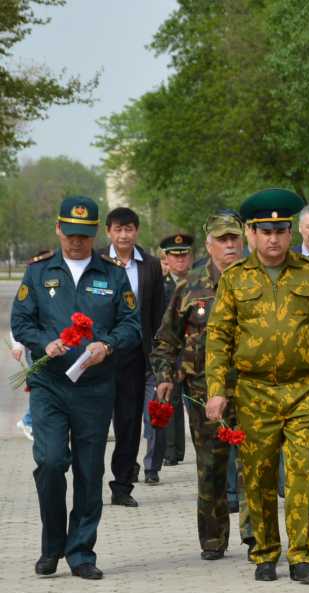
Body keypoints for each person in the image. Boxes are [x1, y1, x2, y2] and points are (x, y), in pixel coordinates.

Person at [205, 188, 309, 584]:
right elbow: (219, 337)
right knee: (259, 473)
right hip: (255, 391)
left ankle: (301, 555)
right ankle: (265, 552)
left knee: (303, 474)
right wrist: (217, 389)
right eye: (265, 231)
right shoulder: (234, 279)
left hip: (302, 390)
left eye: (281, 230)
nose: (274, 239)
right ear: (250, 233)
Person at [12, 195, 141, 579]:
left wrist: (108, 345)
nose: (76, 243)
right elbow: (21, 321)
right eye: (69, 234)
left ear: (95, 233)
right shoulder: (38, 273)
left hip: (94, 387)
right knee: (51, 462)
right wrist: (42, 343)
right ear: (58, 229)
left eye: (83, 236)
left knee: (89, 471)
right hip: (50, 384)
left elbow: (131, 326)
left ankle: (81, 551)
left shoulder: (112, 275)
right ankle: (52, 545)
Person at [152, 213, 253, 560]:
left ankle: (256, 536)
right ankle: (213, 540)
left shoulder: (257, 281)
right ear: (209, 245)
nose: (229, 245)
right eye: (222, 240)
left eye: (234, 239)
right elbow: (166, 340)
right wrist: (165, 377)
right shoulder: (189, 286)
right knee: (210, 468)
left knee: (253, 466)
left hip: (252, 391)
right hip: (203, 394)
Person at [101, 207, 165, 507]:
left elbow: (158, 313)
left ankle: (122, 483)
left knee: (129, 423)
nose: (124, 235)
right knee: (95, 423)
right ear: (108, 232)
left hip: (136, 356)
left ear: (136, 231)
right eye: (118, 229)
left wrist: (159, 354)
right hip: (100, 355)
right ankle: (88, 481)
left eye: (129, 229)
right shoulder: (97, 261)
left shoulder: (150, 265)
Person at [144, 233, 193, 483]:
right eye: (175, 255)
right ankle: (165, 456)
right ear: (166, 258)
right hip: (169, 354)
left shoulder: (199, 284)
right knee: (167, 403)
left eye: (184, 254)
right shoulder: (160, 286)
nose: (181, 259)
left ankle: (183, 449)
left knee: (196, 405)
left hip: (195, 355)